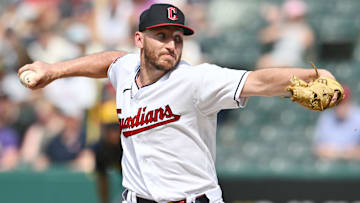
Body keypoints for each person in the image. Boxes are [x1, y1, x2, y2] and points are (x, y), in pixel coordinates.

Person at [18, 3, 340, 203]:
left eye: (177, 37)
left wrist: (314, 74)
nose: (171, 44)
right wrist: (53, 70)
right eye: (162, 35)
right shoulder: (127, 69)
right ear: (140, 40)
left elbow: (256, 81)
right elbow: (109, 61)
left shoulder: (195, 81)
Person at [314, 85, 360, 160]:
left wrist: (335, 153)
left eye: (343, 103)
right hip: (330, 167)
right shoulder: (326, 118)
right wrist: (347, 152)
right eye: (337, 103)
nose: (340, 107)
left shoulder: (358, 117)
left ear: (349, 102)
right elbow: (318, 150)